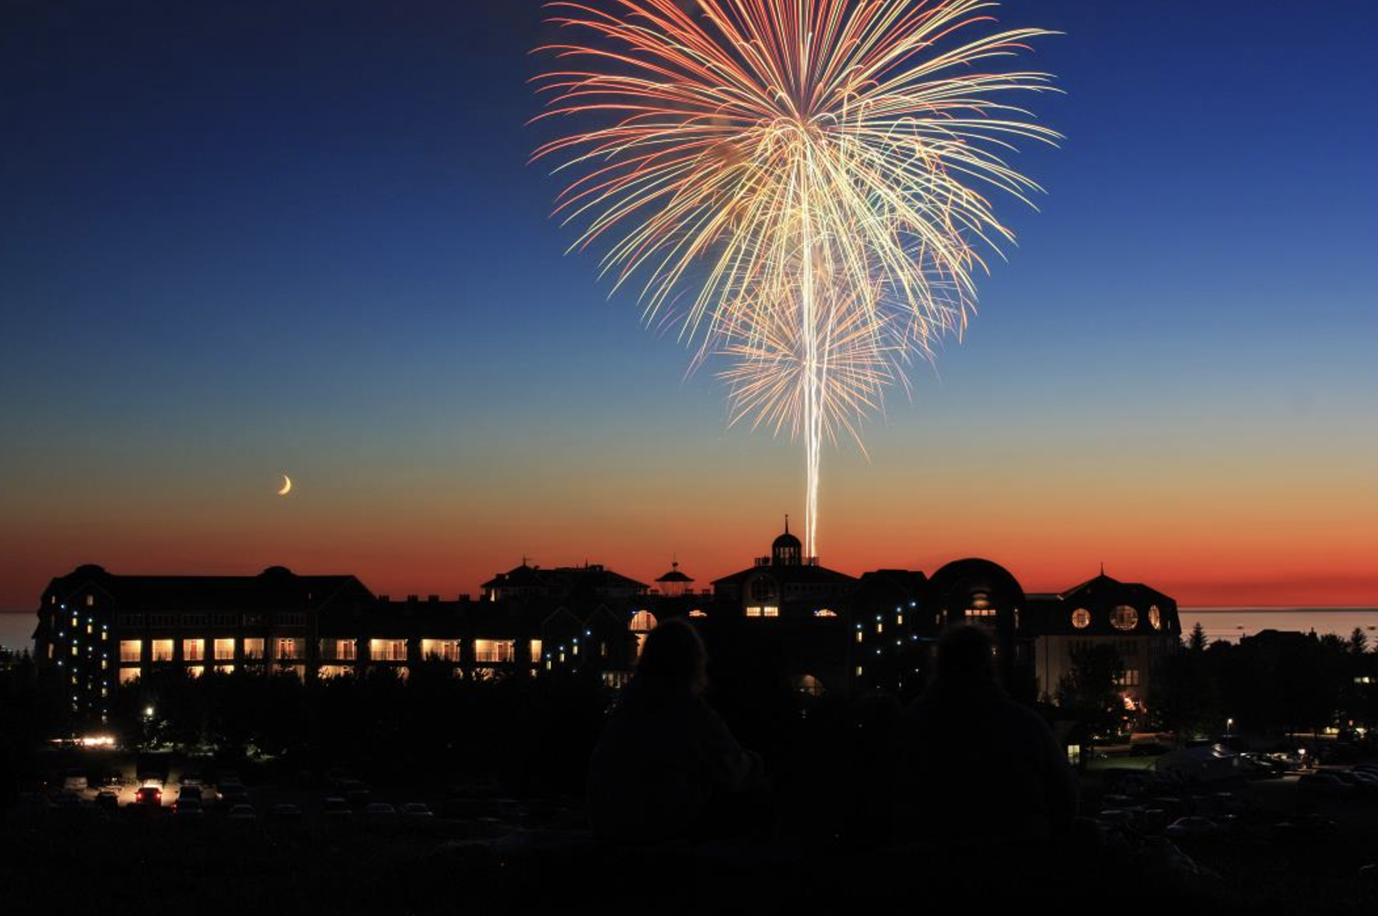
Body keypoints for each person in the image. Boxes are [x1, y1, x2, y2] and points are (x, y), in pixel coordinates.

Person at [890, 625, 1078, 848]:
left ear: (939, 664)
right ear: (989, 665)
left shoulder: (910, 726)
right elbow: (1066, 797)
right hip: (1020, 859)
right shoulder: (1025, 724)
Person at [586, 618, 766, 842]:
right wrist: (759, 764)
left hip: (612, 828)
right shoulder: (689, 711)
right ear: (695, 662)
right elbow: (732, 768)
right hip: (663, 831)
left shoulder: (629, 707)